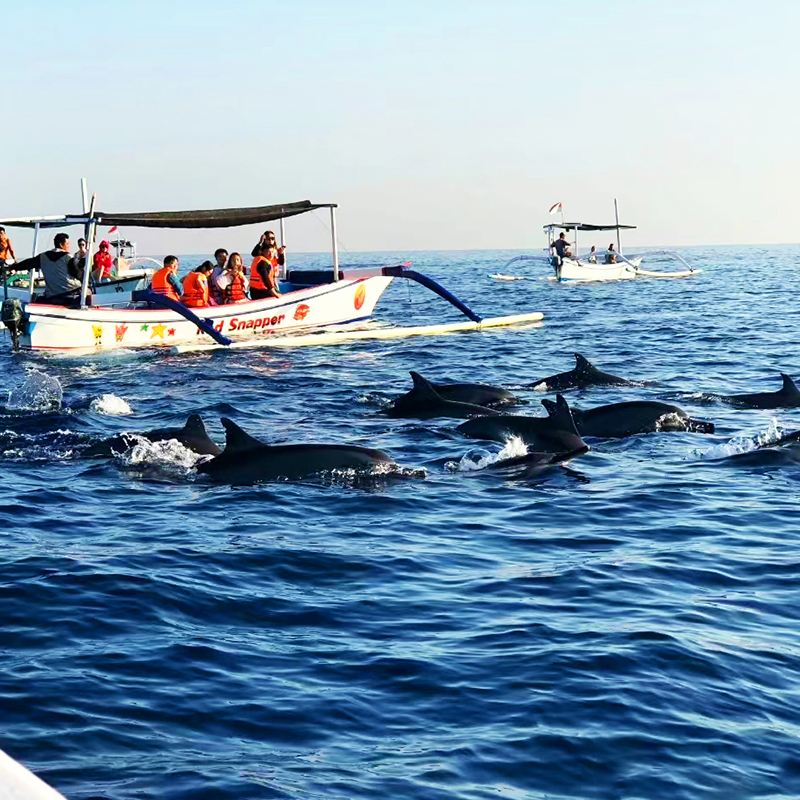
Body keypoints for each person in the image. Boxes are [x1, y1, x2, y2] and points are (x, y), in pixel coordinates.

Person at [13, 232, 84, 304]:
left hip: (51, 295)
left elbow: (28, 263)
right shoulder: (68, 258)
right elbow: (78, 274)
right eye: (67, 244)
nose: (69, 246)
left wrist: (13, 267)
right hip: (70, 293)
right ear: (61, 244)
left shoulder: (43, 257)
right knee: (88, 291)